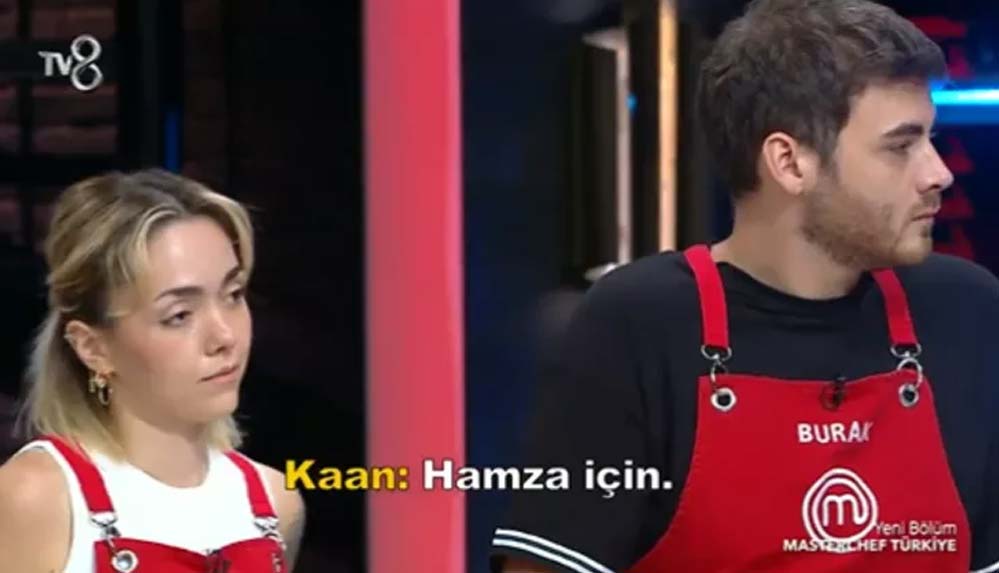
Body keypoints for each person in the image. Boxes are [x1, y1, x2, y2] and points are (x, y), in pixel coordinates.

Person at [490, 0, 999, 572]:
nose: (938, 173)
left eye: (931, 139)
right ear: (790, 162)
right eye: (901, 146)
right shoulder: (642, 323)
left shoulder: (964, 311)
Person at [0, 169, 305, 572]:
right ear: (93, 348)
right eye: (179, 315)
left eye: (233, 295)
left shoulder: (277, 503)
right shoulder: (36, 496)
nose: (225, 336)